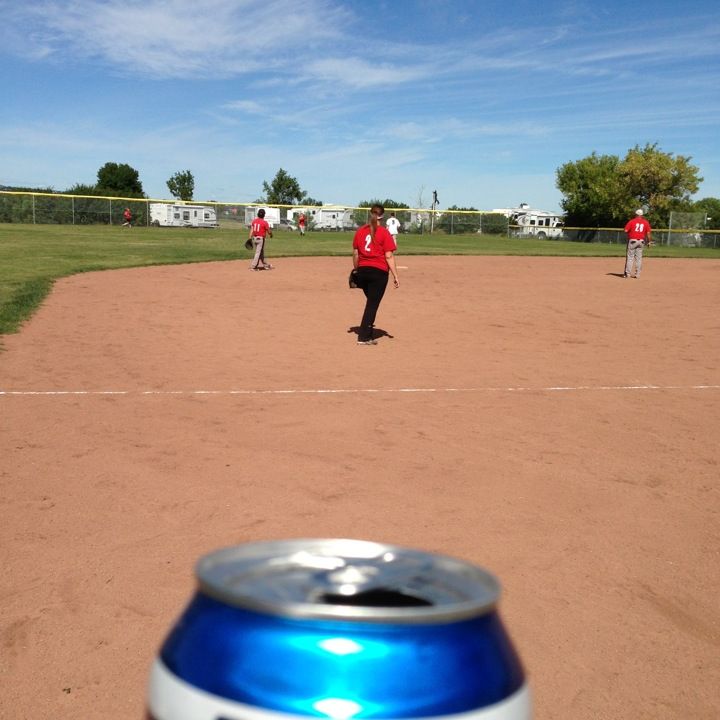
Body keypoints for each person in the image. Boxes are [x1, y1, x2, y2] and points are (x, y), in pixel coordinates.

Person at [352, 203, 400, 345]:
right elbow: (389, 256)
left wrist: (356, 270)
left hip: (362, 271)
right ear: (382, 216)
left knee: (371, 301)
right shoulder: (384, 232)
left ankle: (368, 329)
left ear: (370, 214)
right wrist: (395, 275)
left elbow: (355, 253)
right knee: (372, 304)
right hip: (378, 273)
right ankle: (364, 337)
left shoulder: (360, 231)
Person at [623, 209, 652, 278]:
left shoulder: (632, 221)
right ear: (642, 215)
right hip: (641, 241)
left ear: (635, 214)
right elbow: (648, 233)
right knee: (639, 258)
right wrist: (649, 241)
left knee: (630, 258)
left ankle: (628, 274)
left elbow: (625, 230)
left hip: (633, 241)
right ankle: (637, 274)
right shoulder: (646, 222)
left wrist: (630, 233)